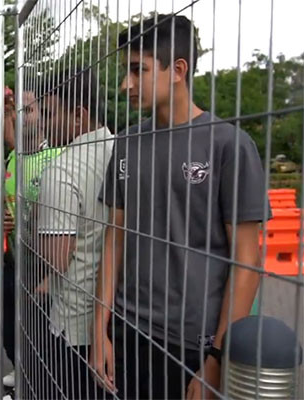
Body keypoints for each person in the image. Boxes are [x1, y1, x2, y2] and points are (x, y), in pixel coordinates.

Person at [92, 14, 269, 400]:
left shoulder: (229, 145)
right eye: (126, 71)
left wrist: (216, 358)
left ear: (177, 69)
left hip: (194, 341)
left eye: (138, 70)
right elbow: (115, 238)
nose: (126, 85)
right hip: (128, 330)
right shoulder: (126, 144)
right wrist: (99, 330)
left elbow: (247, 262)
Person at [34, 67, 113, 400]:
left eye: (49, 113)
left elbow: (57, 258)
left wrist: (33, 224)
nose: (42, 123)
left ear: (79, 116)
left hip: (75, 322)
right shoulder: (124, 150)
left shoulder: (63, 169)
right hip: (117, 315)